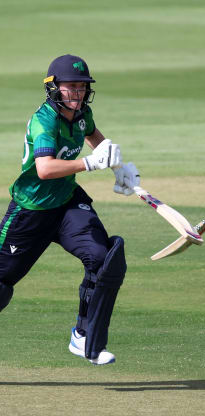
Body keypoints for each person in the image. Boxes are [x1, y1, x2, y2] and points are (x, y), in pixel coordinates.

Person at [0, 54, 140, 365]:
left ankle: (83, 334)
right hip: (30, 210)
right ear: (53, 88)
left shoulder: (82, 113)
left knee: (103, 258)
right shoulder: (44, 121)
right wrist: (90, 163)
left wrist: (119, 165)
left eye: (81, 87)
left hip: (66, 204)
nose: (77, 93)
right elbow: (45, 169)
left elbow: (95, 137)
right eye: (70, 87)